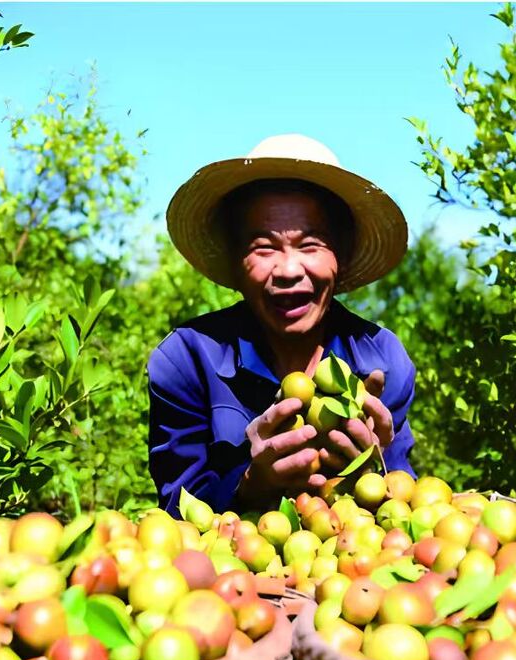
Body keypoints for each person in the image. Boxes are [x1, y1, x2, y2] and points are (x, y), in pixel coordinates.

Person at [148, 134, 417, 517]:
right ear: (236, 262)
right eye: (264, 247)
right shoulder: (186, 360)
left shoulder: (385, 361)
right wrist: (249, 486)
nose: (289, 270)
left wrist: (378, 463)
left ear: (339, 259)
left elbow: (404, 511)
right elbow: (177, 512)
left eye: (310, 245)